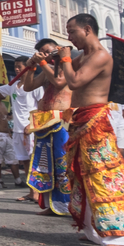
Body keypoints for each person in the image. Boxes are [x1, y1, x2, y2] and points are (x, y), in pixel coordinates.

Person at [56, 13, 124, 246]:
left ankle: (120, 239)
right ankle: (94, 231)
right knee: (82, 177)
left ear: (87, 29)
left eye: (72, 31)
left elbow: (75, 81)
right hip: (80, 120)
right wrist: (43, 62)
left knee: (103, 177)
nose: (69, 36)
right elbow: (61, 79)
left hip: (95, 121)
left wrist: (66, 57)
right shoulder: (85, 56)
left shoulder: (100, 55)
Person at [22, 38, 72, 215]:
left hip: (62, 120)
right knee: (46, 165)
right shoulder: (46, 69)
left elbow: (59, 82)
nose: (45, 54)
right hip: (45, 120)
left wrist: (41, 62)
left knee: (62, 163)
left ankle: (68, 205)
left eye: (47, 50)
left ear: (57, 48)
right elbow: (28, 87)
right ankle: (53, 205)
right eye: (41, 52)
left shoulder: (68, 65)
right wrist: (31, 67)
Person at [0, 57, 42, 199]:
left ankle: (40, 192)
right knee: (24, 161)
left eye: (19, 66)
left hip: (30, 129)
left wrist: (32, 124)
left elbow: (42, 106)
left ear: (28, 67)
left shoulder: (36, 86)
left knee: (34, 161)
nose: (17, 69)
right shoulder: (13, 85)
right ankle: (32, 192)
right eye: (15, 67)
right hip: (18, 130)